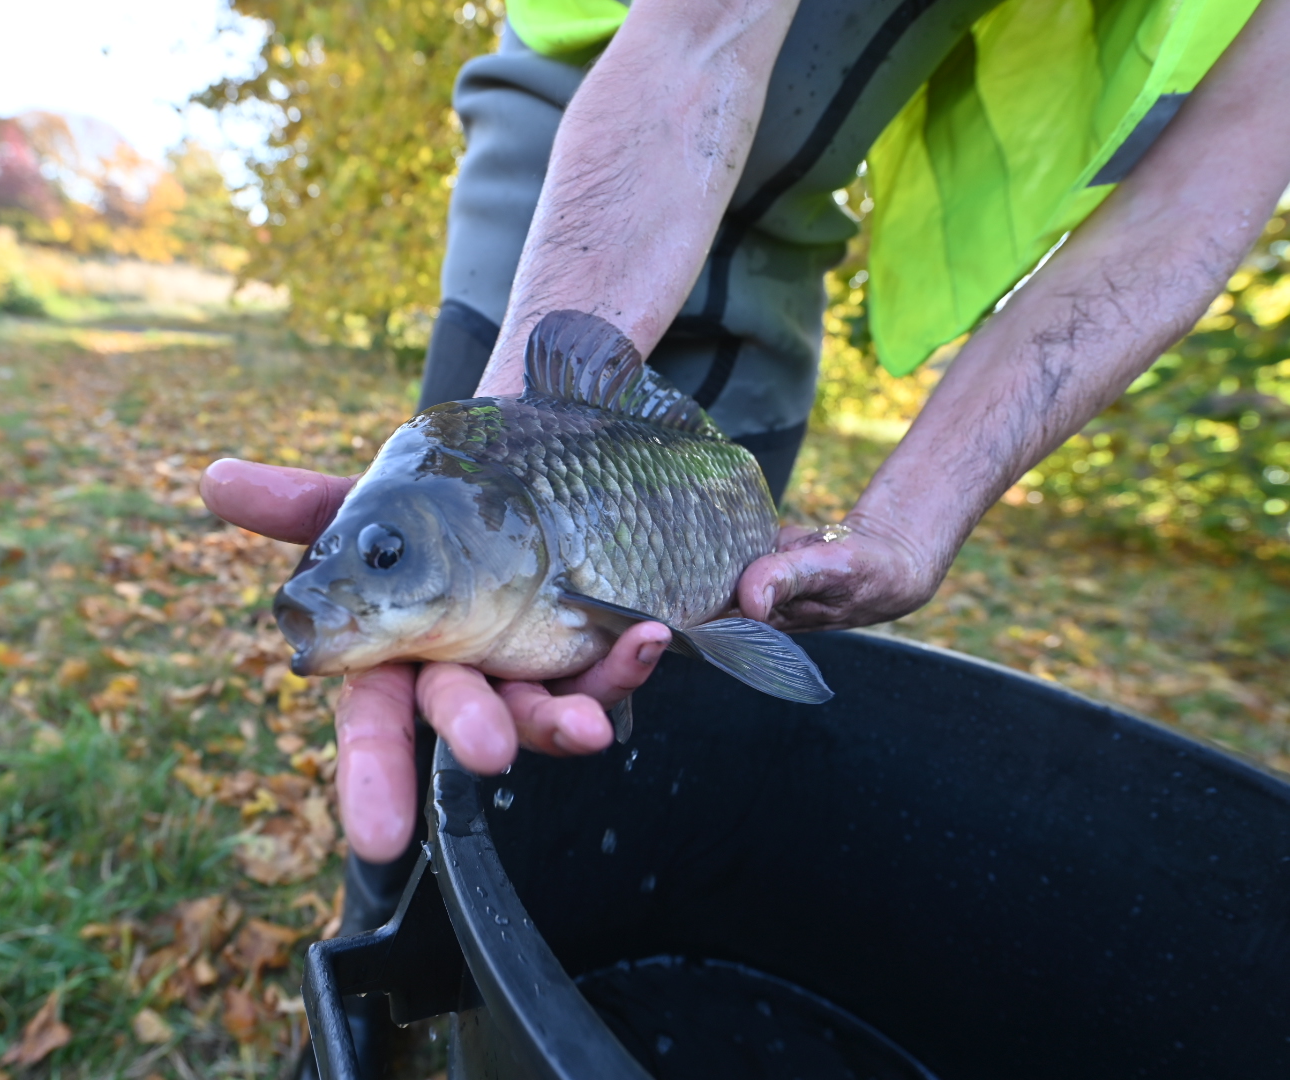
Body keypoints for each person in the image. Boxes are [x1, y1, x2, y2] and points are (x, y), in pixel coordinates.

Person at [204, 0, 1290, 1071]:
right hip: (587, 135)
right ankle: (368, 999)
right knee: (437, 750)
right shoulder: (470, 479)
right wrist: (516, 437)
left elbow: (1189, 205)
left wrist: (914, 517)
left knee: (639, 700)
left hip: (795, 226)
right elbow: (696, 34)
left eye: (382, 555)